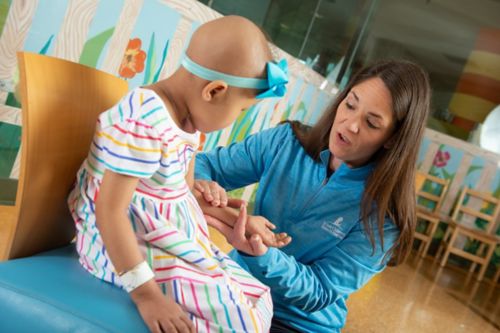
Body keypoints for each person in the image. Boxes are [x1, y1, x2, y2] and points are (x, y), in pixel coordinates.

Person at [68, 16, 291, 333]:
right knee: (241, 320)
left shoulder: (188, 123)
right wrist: (146, 296)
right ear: (213, 91)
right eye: (241, 111)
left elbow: (181, 193)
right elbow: (109, 210)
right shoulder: (145, 118)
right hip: (120, 244)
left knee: (256, 297)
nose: (235, 119)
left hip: (164, 235)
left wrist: (234, 219)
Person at [194, 60, 431, 332]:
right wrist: (202, 182)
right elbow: (205, 165)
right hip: (235, 291)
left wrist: (262, 254)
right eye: (350, 105)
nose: (350, 124)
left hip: (296, 324)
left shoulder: (383, 216)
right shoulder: (285, 141)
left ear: (392, 139)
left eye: (371, 123)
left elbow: (319, 291)